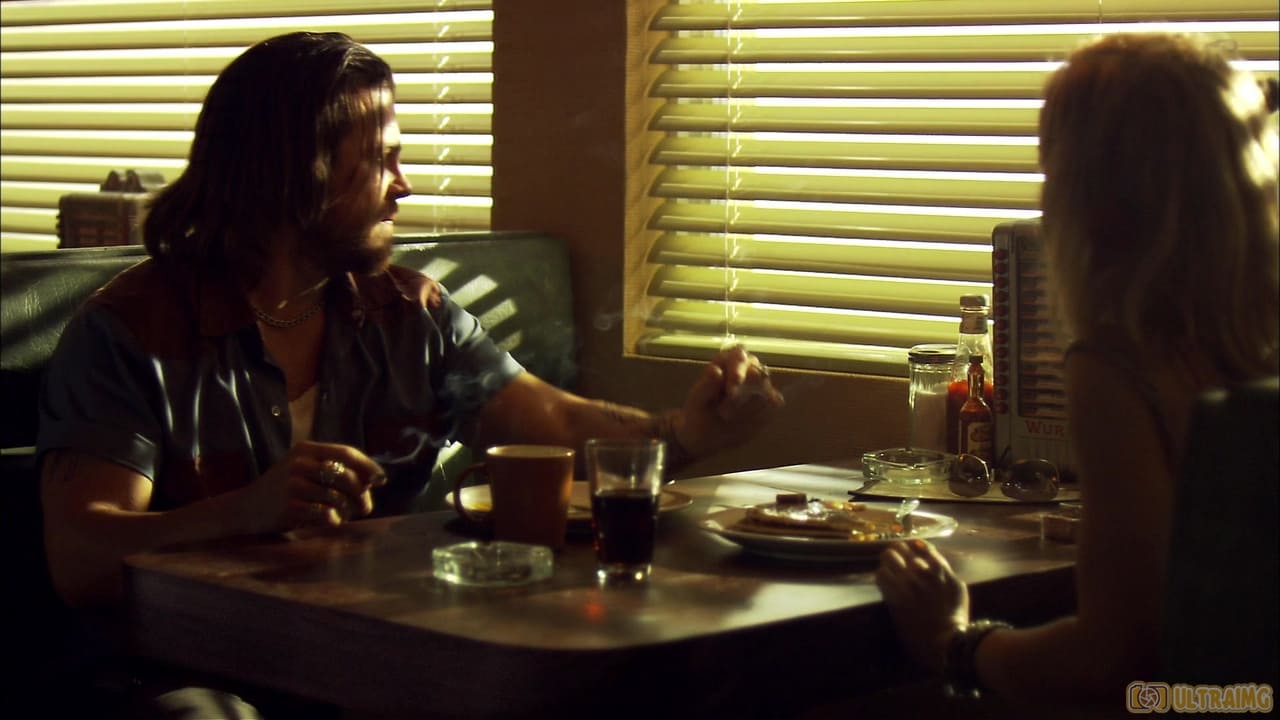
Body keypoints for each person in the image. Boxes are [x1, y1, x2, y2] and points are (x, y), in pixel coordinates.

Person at [35, 31, 783, 717]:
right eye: (382, 160)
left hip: (363, 656)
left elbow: (552, 426)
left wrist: (688, 432)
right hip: (187, 669)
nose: (404, 185)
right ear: (297, 173)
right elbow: (80, 561)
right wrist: (246, 511)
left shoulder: (408, 315)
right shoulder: (130, 333)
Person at [873, 32, 1278, 713]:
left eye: (1052, 169)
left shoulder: (1117, 366)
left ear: (1095, 197)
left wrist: (955, 641)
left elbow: (1116, 664)